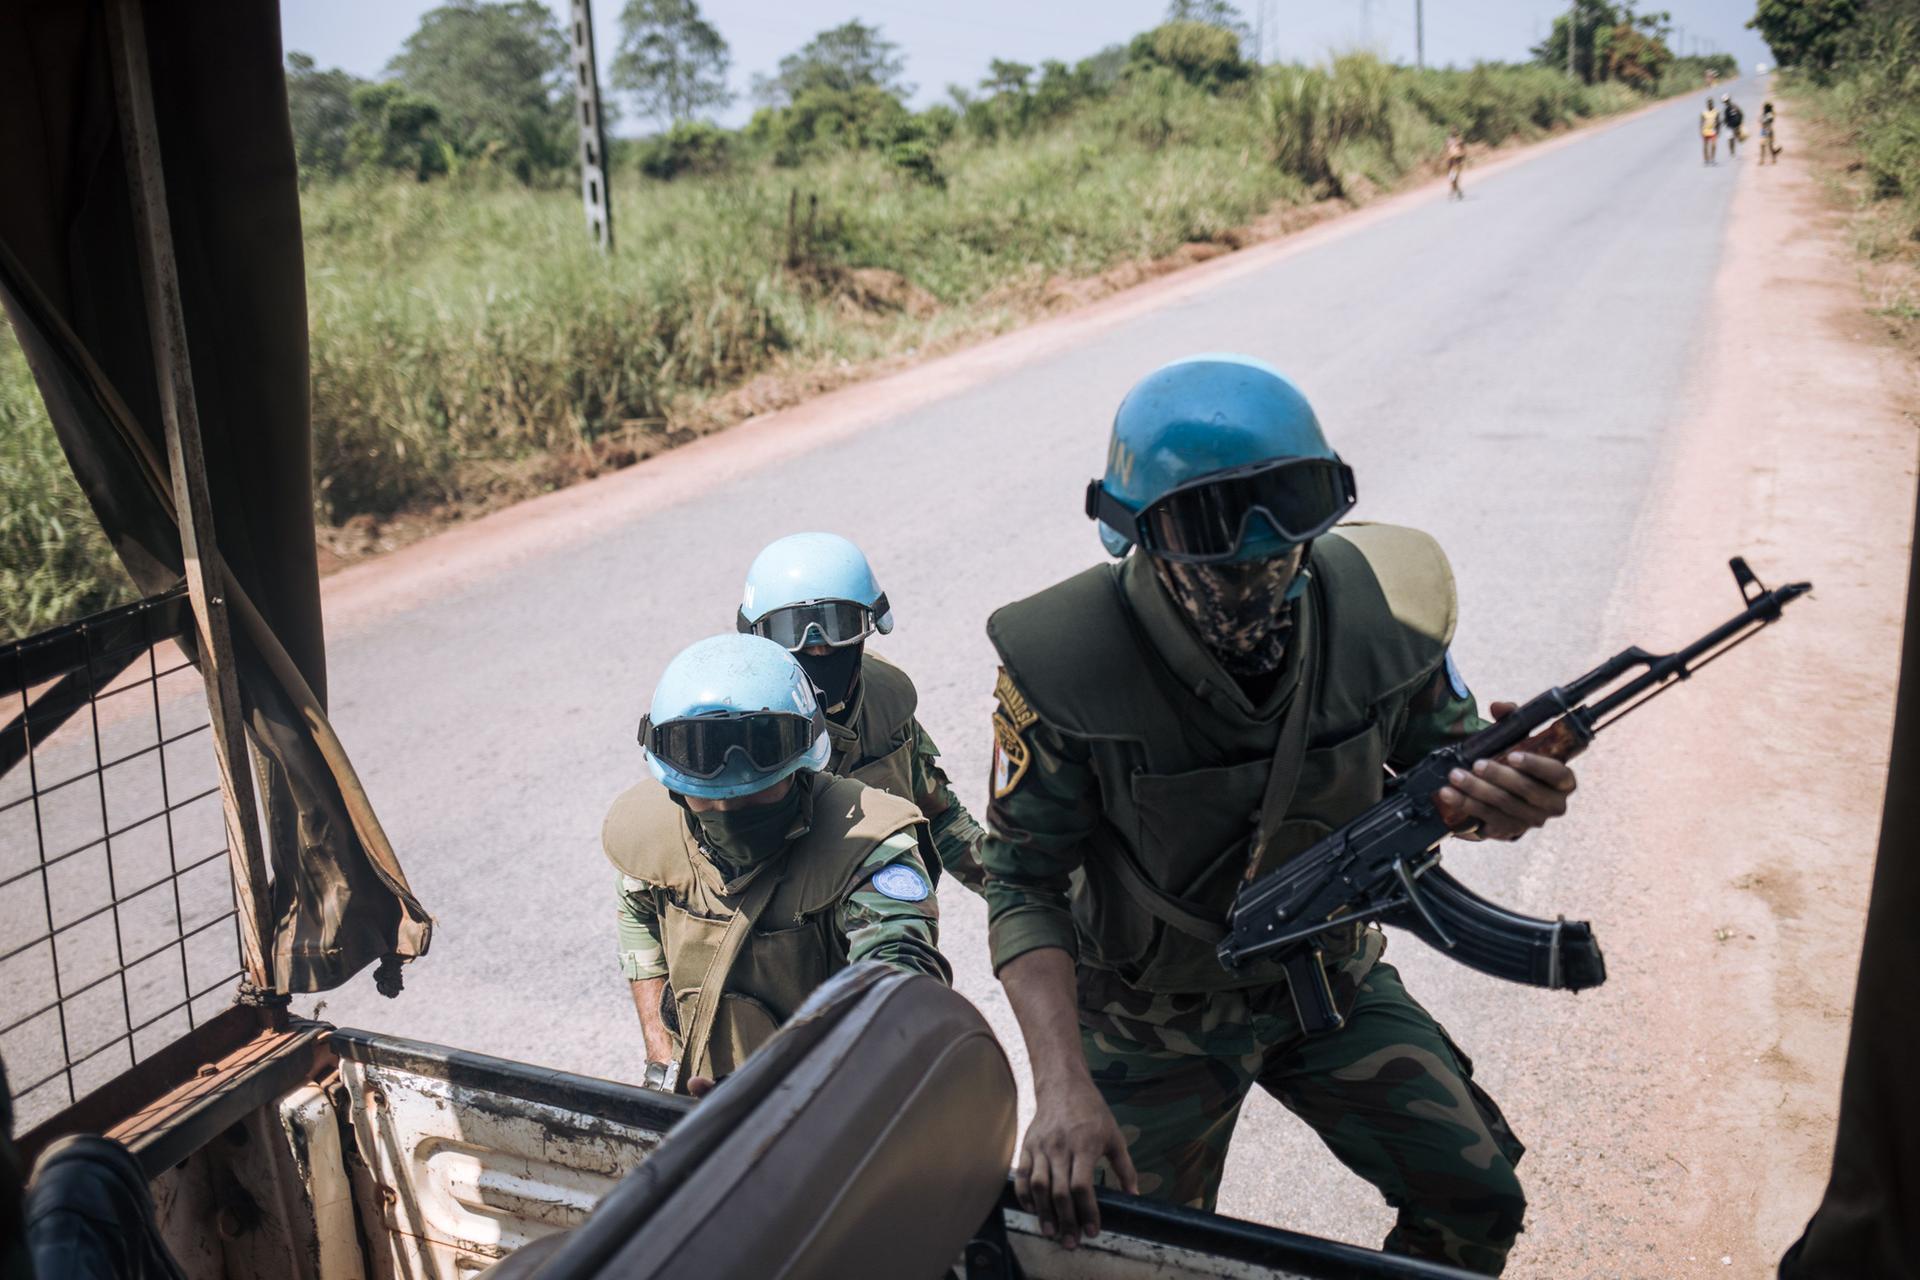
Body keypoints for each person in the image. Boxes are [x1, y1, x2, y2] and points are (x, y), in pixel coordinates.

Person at [979, 355, 1580, 1276]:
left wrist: (1505, 803)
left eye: (1287, 510)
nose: (1254, 555)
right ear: (1135, 531)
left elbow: (1453, 783)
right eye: (1209, 524)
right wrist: (1060, 1088)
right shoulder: (1064, 665)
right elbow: (1023, 881)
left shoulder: (1384, 615)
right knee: (1112, 1257)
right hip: (1148, 1018)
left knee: (1475, 1201)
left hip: (1324, 980)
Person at [606, 633, 949, 1096]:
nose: (727, 806)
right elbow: (638, 910)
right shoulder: (650, 833)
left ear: (800, 766)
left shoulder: (867, 843)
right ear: (674, 784)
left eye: (754, 789)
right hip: (700, 1097)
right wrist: (661, 1060)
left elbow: (899, 972)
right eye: (707, 794)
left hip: (842, 1095)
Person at [736, 533, 986, 891]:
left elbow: (940, 817)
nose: (818, 648)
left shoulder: (884, 703)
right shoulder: (741, 733)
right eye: (791, 632)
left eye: (839, 626)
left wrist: (1026, 897)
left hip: (886, 908)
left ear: (870, 626)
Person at [1445, 128, 1467, 201]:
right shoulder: (1449, 140)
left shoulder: (1460, 139)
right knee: (1451, 176)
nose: (1454, 131)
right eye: (1453, 130)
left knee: (1455, 176)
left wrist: (1463, 157)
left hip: (1457, 160)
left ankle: (1454, 191)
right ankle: (1457, 191)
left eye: (1455, 130)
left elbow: (1464, 149)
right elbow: (1446, 149)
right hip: (1450, 160)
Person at [1722, 93, 1745, 159]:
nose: (1726, 102)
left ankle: (1740, 152)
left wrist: (1740, 123)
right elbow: (1725, 119)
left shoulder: (1735, 106)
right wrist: (1726, 124)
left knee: (1739, 139)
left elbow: (1741, 114)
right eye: (1725, 101)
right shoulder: (1726, 109)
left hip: (1737, 125)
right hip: (1730, 127)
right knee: (1731, 140)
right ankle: (1732, 153)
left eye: (1727, 101)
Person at [1702, 97, 1721, 166]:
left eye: (1711, 103)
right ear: (1707, 104)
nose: (1710, 104)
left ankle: (1713, 159)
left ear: (1712, 104)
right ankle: (1706, 160)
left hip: (1713, 131)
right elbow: (1701, 122)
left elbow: (1718, 122)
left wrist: (1718, 130)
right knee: (1705, 146)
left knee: (1713, 145)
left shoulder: (1716, 112)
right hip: (1705, 131)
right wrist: (1701, 131)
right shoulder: (1704, 113)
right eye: (1708, 103)